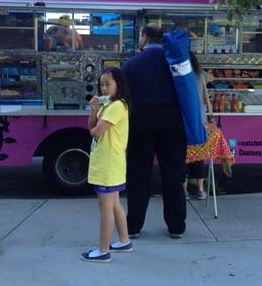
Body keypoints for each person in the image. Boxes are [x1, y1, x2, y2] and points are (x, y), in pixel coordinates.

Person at [122, 23, 187, 239]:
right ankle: (176, 226)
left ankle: (133, 227)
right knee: (173, 175)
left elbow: (122, 98)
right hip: (173, 122)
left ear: (143, 38)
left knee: (138, 174)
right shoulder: (176, 60)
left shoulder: (131, 64)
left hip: (140, 122)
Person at [81, 67, 132, 263]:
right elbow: (90, 127)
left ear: (119, 85)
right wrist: (94, 110)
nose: (104, 88)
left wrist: (95, 123)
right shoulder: (108, 104)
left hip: (108, 163)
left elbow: (96, 132)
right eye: (101, 84)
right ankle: (124, 241)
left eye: (108, 84)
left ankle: (103, 251)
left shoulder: (117, 106)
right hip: (109, 162)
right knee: (115, 203)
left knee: (105, 207)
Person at [183, 52, 210, 200]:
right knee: (199, 155)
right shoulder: (200, 73)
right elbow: (212, 78)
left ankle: (184, 190)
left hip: (185, 119)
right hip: (201, 119)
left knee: (184, 156)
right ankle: (200, 189)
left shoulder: (181, 74)